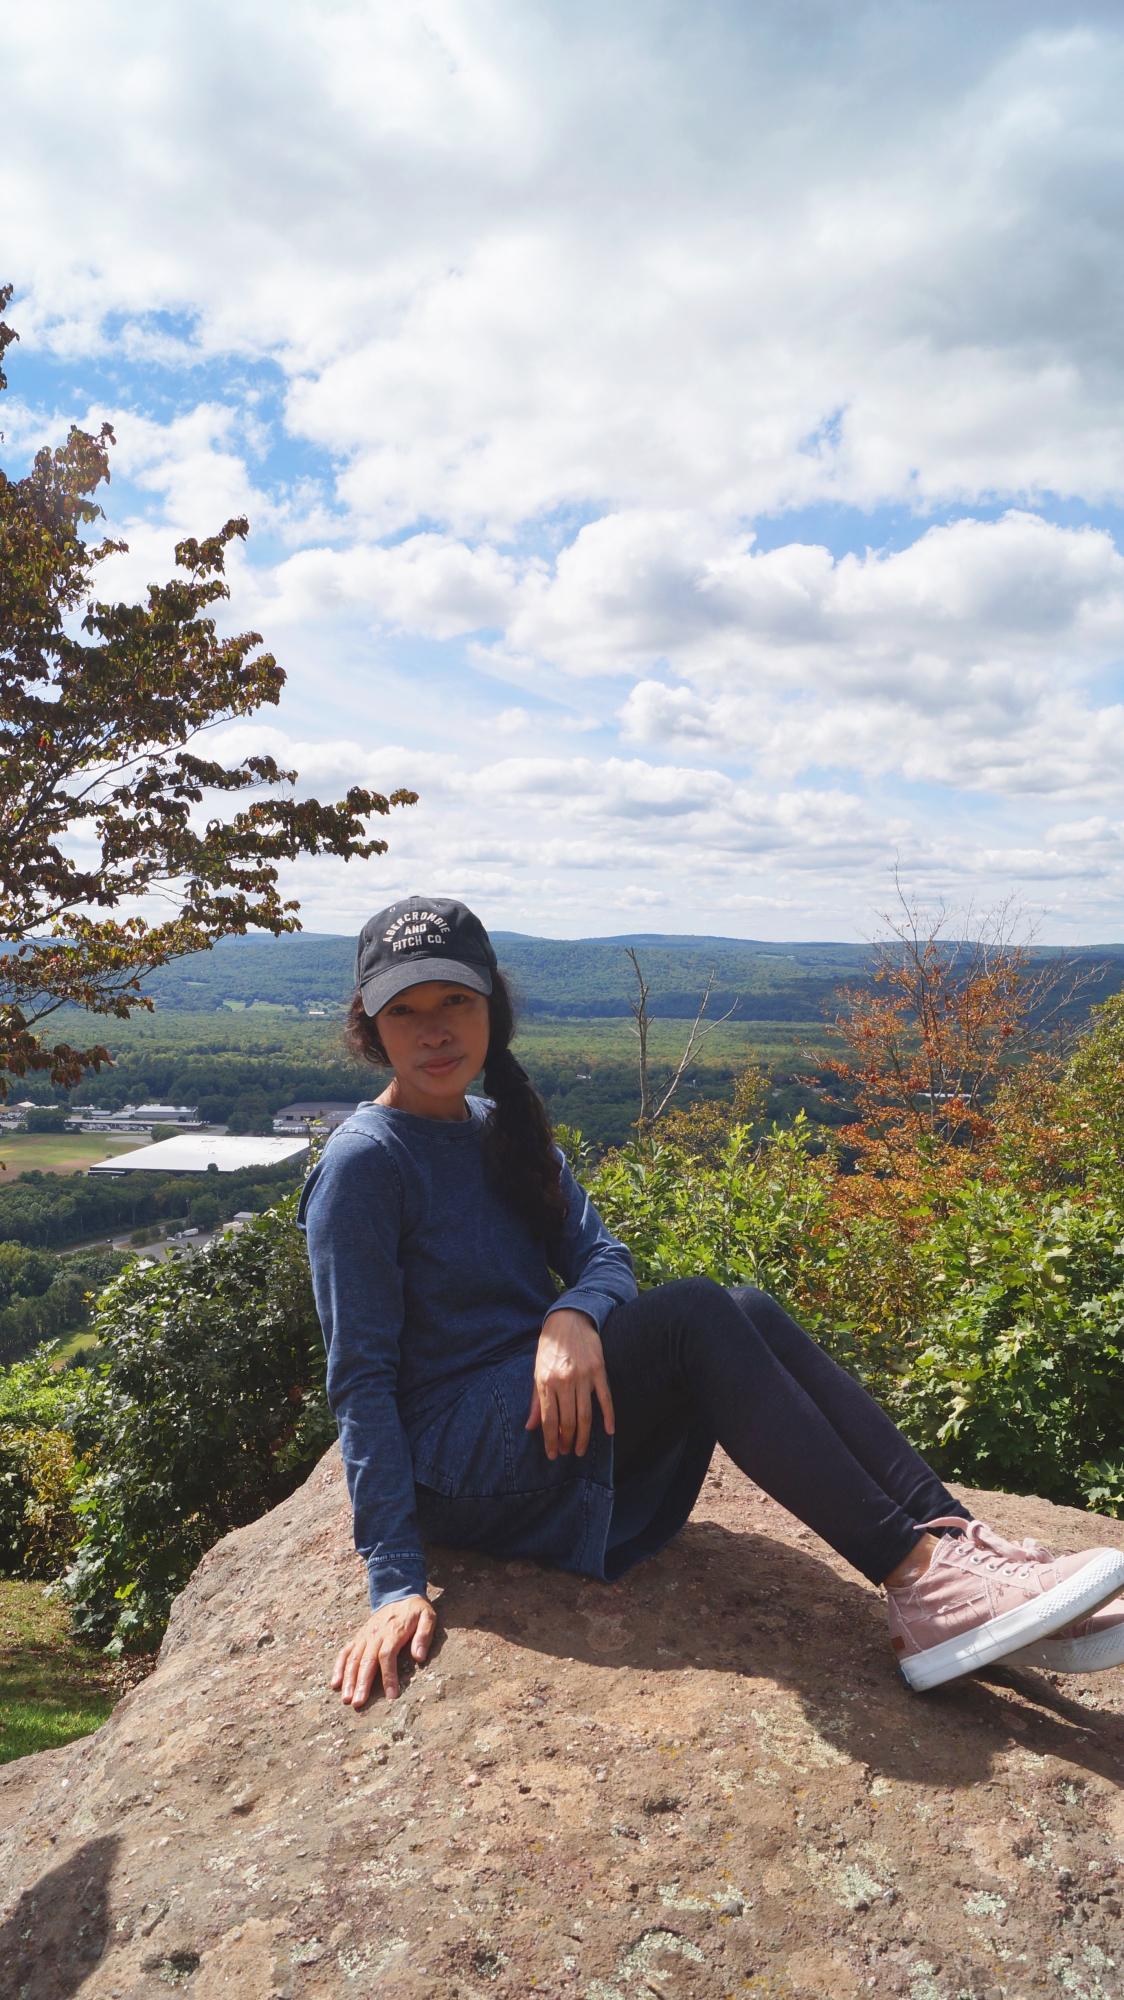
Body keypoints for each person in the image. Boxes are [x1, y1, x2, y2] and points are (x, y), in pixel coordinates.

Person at [299, 896, 1124, 1707]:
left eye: (455, 1001)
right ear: (371, 1031)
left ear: (492, 1010)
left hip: (536, 1412)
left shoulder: (499, 1124)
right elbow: (361, 1382)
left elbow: (603, 1257)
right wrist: (395, 1582)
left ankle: (952, 1551)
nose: (435, 1029)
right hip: (461, 1465)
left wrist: (572, 1313)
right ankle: (919, 1583)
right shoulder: (366, 1163)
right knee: (695, 1313)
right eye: (405, 1011)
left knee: (745, 1305)